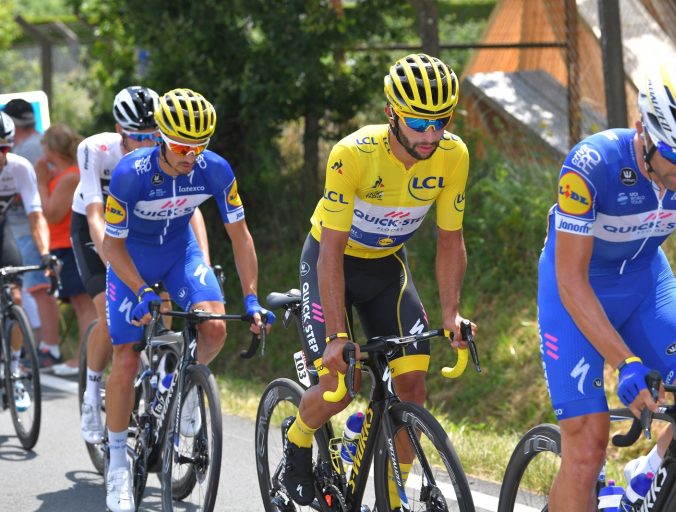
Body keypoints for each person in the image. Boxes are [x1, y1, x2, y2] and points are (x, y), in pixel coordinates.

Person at [537, 62, 676, 511]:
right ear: (643, 130)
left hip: (646, 283)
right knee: (586, 445)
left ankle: (645, 478)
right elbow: (570, 278)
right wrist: (624, 361)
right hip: (576, 291)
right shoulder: (591, 164)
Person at [280, 53, 476, 508]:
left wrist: (451, 313)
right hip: (332, 264)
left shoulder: (453, 155)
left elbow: (450, 240)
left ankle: (391, 498)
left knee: (412, 388)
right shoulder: (353, 155)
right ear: (392, 113)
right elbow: (330, 251)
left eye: (439, 122)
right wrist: (336, 335)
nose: (430, 135)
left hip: (387, 267)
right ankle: (298, 437)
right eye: (417, 122)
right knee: (339, 385)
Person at [101, 87, 272, 512]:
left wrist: (250, 297)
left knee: (214, 326)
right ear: (160, 136)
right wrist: (141, 290)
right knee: (125, 355)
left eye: (199, 146)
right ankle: (118, 461)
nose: (190, 155)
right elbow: (112, 246)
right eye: (181, 146)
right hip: (132, 260)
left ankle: (189, 393)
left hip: (180, 253)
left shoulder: (214, 169)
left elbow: (240, 235)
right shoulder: (130, 173)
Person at [74, 85, 212, 445]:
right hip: (96, 225)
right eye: (138, 136)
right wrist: (115, 271)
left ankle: (164, 371)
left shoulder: (166, 157)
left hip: (143, 226)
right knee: (107, 311)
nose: (146, 141)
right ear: (120, 131)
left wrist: (205, 264)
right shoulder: (95, 150)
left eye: (153, 134)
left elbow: (189, 207)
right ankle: (91, 393)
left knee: (164, 300)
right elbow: (94, 214)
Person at [0, 112, 55, 410]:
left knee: (16, 297)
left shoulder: (19, 168)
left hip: (3, 230)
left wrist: (45, 254)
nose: (2, 156)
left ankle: (14, 370)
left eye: (5, 148)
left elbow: (36, 217)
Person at [35, 125, 98, 376]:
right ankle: (85, 355)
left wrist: (40, 182)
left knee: (84, 304)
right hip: (60, 246)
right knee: (78, 302)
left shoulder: (71, 176)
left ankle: (84, 358)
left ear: (51, 149)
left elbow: (51, 213)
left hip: (70, 246)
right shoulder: (62, 176)